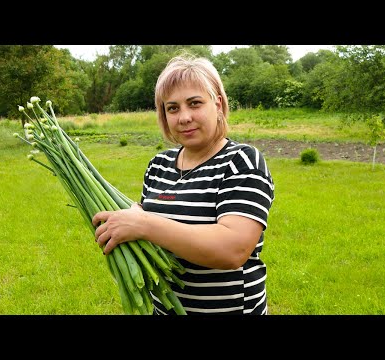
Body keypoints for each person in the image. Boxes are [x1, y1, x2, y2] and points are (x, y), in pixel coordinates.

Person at [92, 53, 275, 315]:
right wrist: (122, 226)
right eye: (173, 108)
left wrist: (143, 224)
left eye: (195, 103)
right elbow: (150, 233)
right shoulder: (159, 165)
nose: (184, 117)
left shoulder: (241, 161)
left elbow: (233, 249)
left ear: (218, 104)